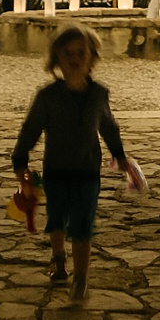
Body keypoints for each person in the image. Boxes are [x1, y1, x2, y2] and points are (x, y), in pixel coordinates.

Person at [12, 24, 130, 304]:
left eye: (81, 53)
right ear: (57, 60)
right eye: (68, 54)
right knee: (57, 219)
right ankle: (58, 257)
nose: (75, 59)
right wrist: (20, 159)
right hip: (56, 170)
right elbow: (31, 129)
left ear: (92, 58)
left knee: (82, 225)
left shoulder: (98, 95)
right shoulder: (47, 97)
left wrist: (119, 154)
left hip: (87, 171)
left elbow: (108, 126)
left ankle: (81, 276)